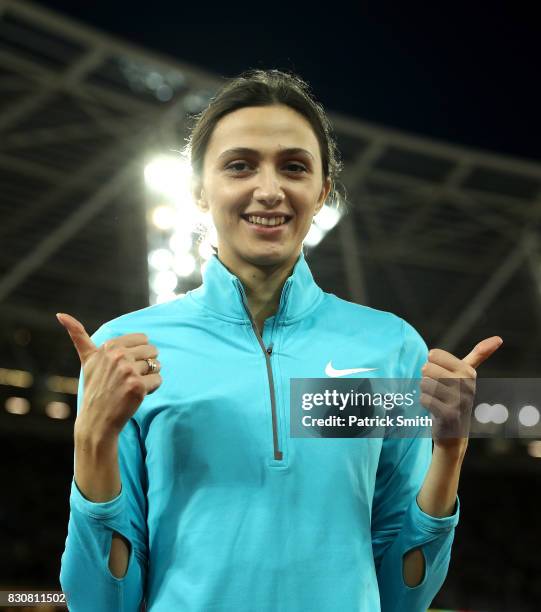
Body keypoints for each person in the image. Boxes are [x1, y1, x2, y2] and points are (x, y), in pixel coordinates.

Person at [58, 69, 502, 611]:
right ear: (200, 188)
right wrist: (92, 443)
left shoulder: (389, 348)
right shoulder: (128, 350)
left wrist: (450, 452)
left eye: (294, 167)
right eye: (240, 165)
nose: (268, 190)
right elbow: (99, 603)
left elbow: (401, 596)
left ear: (322, 192)